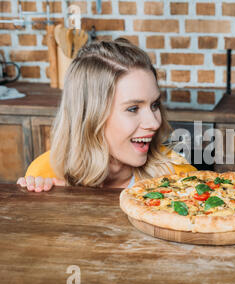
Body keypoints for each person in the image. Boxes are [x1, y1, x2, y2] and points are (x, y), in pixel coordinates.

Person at [17, 38, 196, 192]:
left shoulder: (179, 175)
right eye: (133, 108)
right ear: (90, 116)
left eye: (155, 105)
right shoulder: (44, 174)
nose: (154, 123)